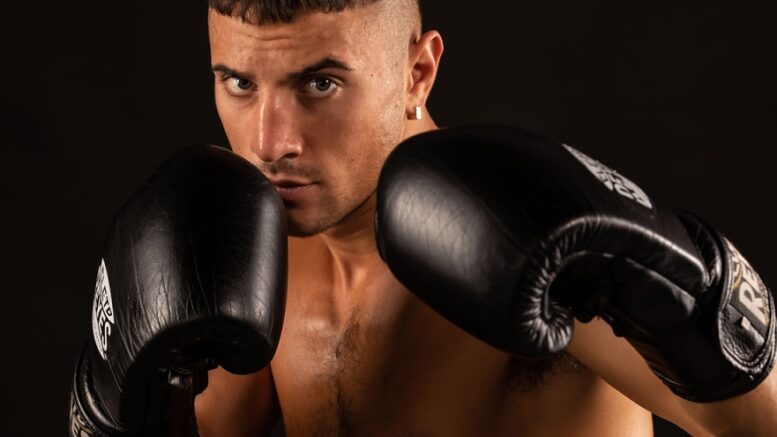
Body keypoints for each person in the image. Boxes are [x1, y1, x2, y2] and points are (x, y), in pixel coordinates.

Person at [69, 1, 777, 436]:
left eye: (319, 83)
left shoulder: (520, 230)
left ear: (417, 72)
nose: (269, 141)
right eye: (239, 83)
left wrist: (692, 305)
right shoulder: (250, 250)